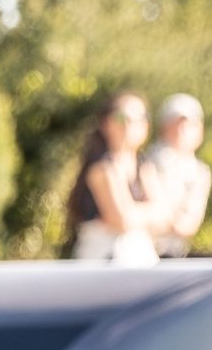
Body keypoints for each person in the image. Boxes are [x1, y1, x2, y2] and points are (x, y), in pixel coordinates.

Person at [63, 90, 168, 264]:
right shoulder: (102, 167)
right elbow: (121, 221)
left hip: (141, 260)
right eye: (121, 117)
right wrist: (147, 212)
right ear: (106, 123)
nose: (128, 124)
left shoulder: (145, 167)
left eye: (139, 118)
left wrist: (132, 212)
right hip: (103, 261)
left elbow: (164, 218)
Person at [143, 92, 212, 258]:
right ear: (163, 127)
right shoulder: (146, 161)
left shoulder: (200, 171)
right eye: (175, 123)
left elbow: (188, 225)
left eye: (188, 124)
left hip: (175, 253)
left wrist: (161, 216)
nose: (181, 129)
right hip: (144, 252)